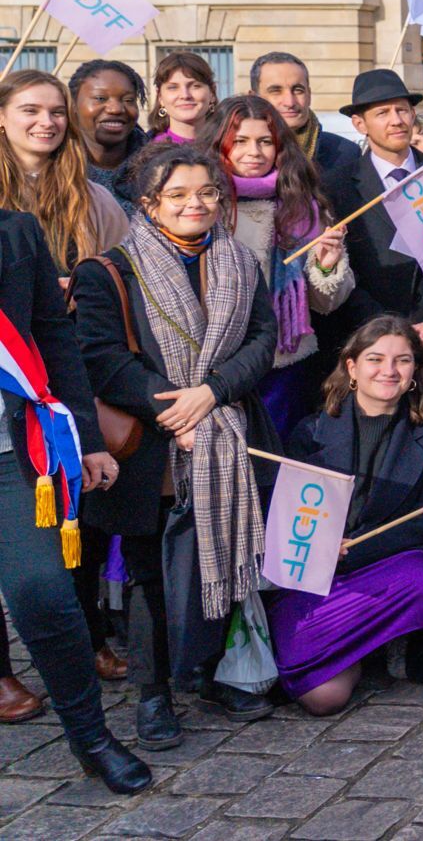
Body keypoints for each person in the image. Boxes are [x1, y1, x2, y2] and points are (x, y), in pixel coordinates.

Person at [73, 144, 280, 743]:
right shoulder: (108, 270)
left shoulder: (241, 262)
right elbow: (102, 359)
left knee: (226, 556)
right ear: (148, 203)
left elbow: (262, 341)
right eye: (179, 194)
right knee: (151, 574)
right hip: (152, 448)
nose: (196, 204)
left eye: (208, 193)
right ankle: (153, 695)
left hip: (226, 434)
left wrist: (209, 394)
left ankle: (211, 673)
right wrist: (174, 407)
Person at [0, 211, 145, 794]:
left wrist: (83, 438)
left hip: (11, 454)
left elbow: (53, 336)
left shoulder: (16, 233)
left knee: (45, 594)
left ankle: (90, 738)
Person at [270, 318, 423, 712]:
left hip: (388, 571)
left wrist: (355, 549)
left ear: (415, 371)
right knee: (323, 699)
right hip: (322, 579)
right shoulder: (312, 431)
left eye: (402, 360)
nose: (389, 371)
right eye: (376, 358)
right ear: (352, 367)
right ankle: (368, 647)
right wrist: (322, 546)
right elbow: (286, 518)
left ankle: (368, 640)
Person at [197, 96, 352, 442]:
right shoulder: (200, 202)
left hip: (283, 361)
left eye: (265, 141)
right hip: (211, 360)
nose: (254, 151)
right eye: (240, 141)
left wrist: (328, 268)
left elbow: (326, 303)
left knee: (274, 460)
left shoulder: (304, 205)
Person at [319, 70, 423, 345]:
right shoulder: (336, 185)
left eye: (402, 110)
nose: (396, 121)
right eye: (382, 113)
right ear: (359, 124)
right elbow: (345, 270)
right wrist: (388, 330)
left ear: (413, 115)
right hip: (370, 342)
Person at [0, 70, 129, 276]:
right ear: (2, 117)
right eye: (31, 111)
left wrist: (89, 286)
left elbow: (125, 272)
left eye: (57, 112)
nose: (47, 122)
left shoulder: (96, 200)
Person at [249, 52, 361, 181]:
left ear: (309, 95)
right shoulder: (235, 154)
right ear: (253, 98)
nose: (289, 102)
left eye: (298, 90)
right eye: (276, 91)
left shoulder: (345, 154)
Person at [68, 61, 147, 210]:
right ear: (73, 106)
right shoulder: (52, 168)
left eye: (128, 100)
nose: (116, 109)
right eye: (100, 98)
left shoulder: (161, 167)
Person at [147, 51, 218, 144]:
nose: (185, 95)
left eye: (195, 86)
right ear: (160, 96)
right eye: (173, 87)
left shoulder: (232, 147)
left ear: (212, 92)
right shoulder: (143, 152)